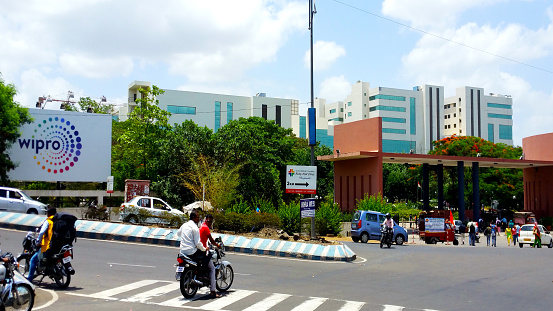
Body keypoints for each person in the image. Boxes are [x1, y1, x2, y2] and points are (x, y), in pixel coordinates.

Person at [176, 211, 218, 298]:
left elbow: (178, 234)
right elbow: (198, 243)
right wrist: (204, 248)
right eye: (198, 217)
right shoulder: (195, 228)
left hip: (182, 251)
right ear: (194, 218)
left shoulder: (184, 225)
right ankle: (211, 289)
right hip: (192, 251)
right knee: (209, 258)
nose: (199, 219)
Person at [28, 207, 56, 282]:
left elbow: (41, 233)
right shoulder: (58, 221)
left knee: (33, 260)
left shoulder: (48, 221)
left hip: (48, 246)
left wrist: (38, 242)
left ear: (49, 214)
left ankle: (29, 280)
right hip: (58, 246)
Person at [199, 214, 221, 298]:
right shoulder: (205, 228)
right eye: (208, 221)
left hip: (198, 249)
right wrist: (217, 245)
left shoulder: (201, 227)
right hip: (203, 250)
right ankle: (212, 291)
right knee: (212, 269)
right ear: (205, 220)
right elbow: (211, 240)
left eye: (211, 221)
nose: (209, 223)